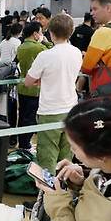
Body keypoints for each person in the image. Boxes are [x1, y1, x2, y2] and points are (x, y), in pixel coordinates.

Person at [24, 14, 82, 173]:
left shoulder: (45, 56)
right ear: (71, 31)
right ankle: (64, 193)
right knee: (66, 156)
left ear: (50, 32)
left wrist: (42, 79)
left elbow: (28, 82)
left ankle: (47, 195)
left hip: (50, 111)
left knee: (47, 157)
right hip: (71, 109)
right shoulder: (76, 53)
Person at [15, 21, 48, 151]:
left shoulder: (21, 46)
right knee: (30, 117)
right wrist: (44, 41)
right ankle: (26, 144)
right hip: (35, 88)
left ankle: (22, 142)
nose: (41, 35)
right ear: (35, 34)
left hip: (23, 86)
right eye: (40, 32)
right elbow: (52, 51)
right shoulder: (38, 48)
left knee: (23, 116)